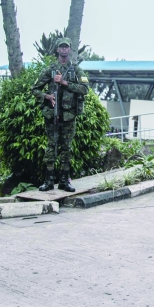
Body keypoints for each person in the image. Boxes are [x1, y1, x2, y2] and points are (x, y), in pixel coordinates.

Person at [32, 38, 89, 192]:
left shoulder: (76, 70)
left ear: (69, 50)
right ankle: (49, 181)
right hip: (52, 115)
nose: (64, 49)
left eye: (66, 47)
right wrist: (47, 97)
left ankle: (64, 181)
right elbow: (35, 89)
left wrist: (65, 83)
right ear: (57, 50)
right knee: (51, 147)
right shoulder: (49, 70)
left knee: (66, 148)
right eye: (61, 47)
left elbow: (84, 89)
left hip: (69, 116)